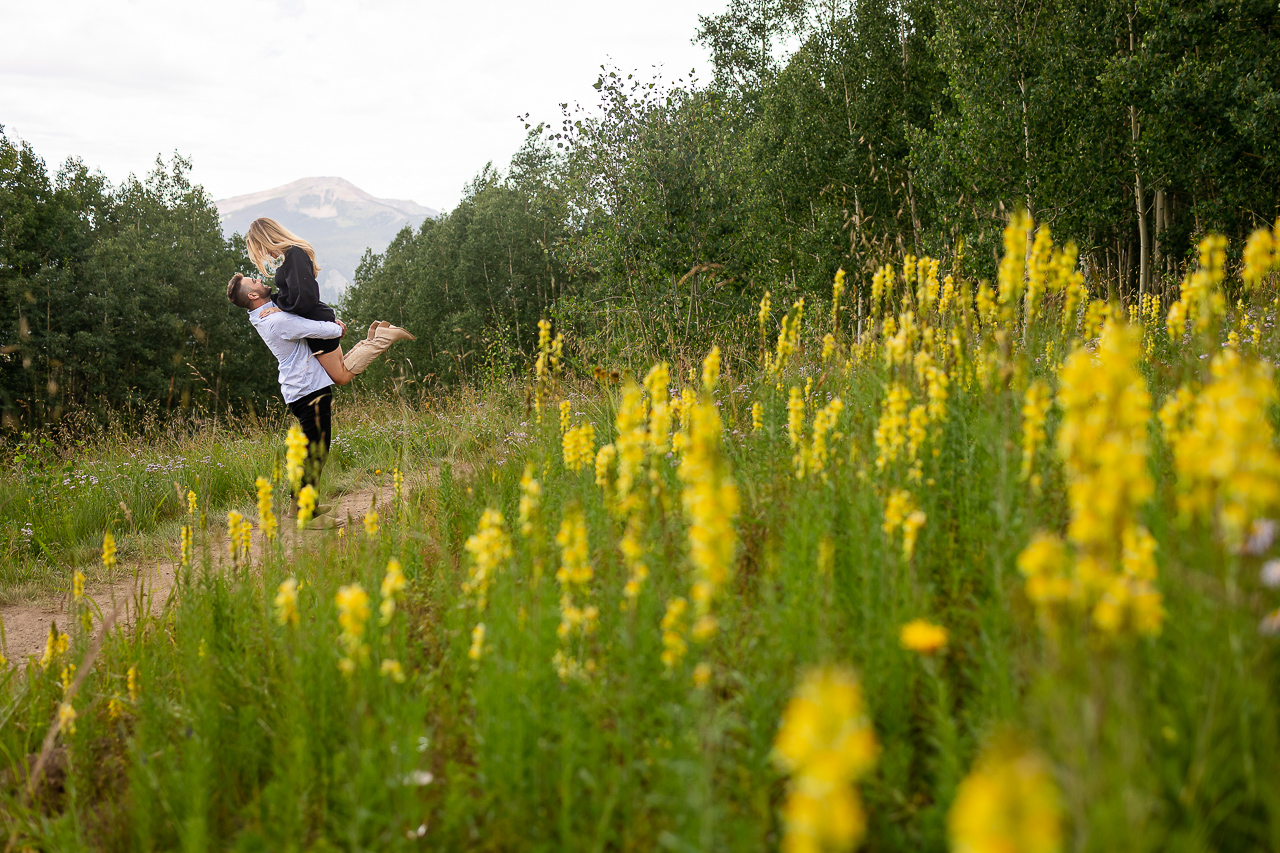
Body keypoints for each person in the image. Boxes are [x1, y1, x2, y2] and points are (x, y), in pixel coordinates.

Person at [226, 274, 356, 528]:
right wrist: (337, 326)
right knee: (316, 452)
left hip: (303, 389)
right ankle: (304, 514)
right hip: (307, 389)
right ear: (253, 296)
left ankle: (304, 505)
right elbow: (320, 329)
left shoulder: (267, 314)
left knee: (314, 450)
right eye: (254, 281)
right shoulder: (275, 321)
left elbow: (290, 306)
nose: (260, 279)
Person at [243, 217, 413, 380]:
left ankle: (383, 338)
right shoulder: (291, 256)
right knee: (341, 368)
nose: (264, 253)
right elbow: (294, 294)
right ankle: (374, 338)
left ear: (267, 238)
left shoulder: (294, 255)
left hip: (315, 320)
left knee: (341, 375)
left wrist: (281, 308)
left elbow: (306, 296)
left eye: (261, 248)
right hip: (315, 319)